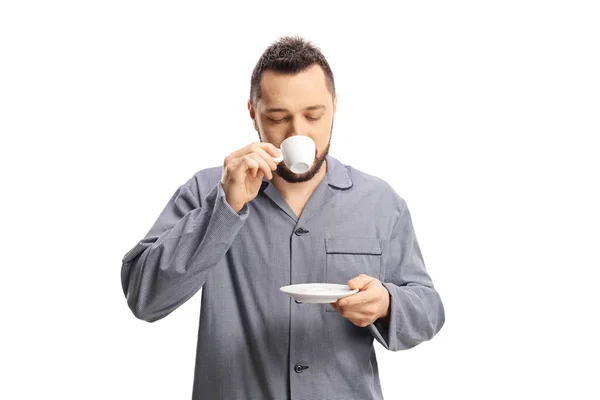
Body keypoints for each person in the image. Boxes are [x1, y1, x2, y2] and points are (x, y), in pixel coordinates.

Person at [121, 35, 445, 400]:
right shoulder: (206, 191)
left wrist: (387, 304)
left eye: (313, 115)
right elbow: (143, 297)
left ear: (335, 107)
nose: (298, 133)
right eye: (278, 117)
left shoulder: (381, 202)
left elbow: (428, 309)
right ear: (253, 112)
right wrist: (225, 209)